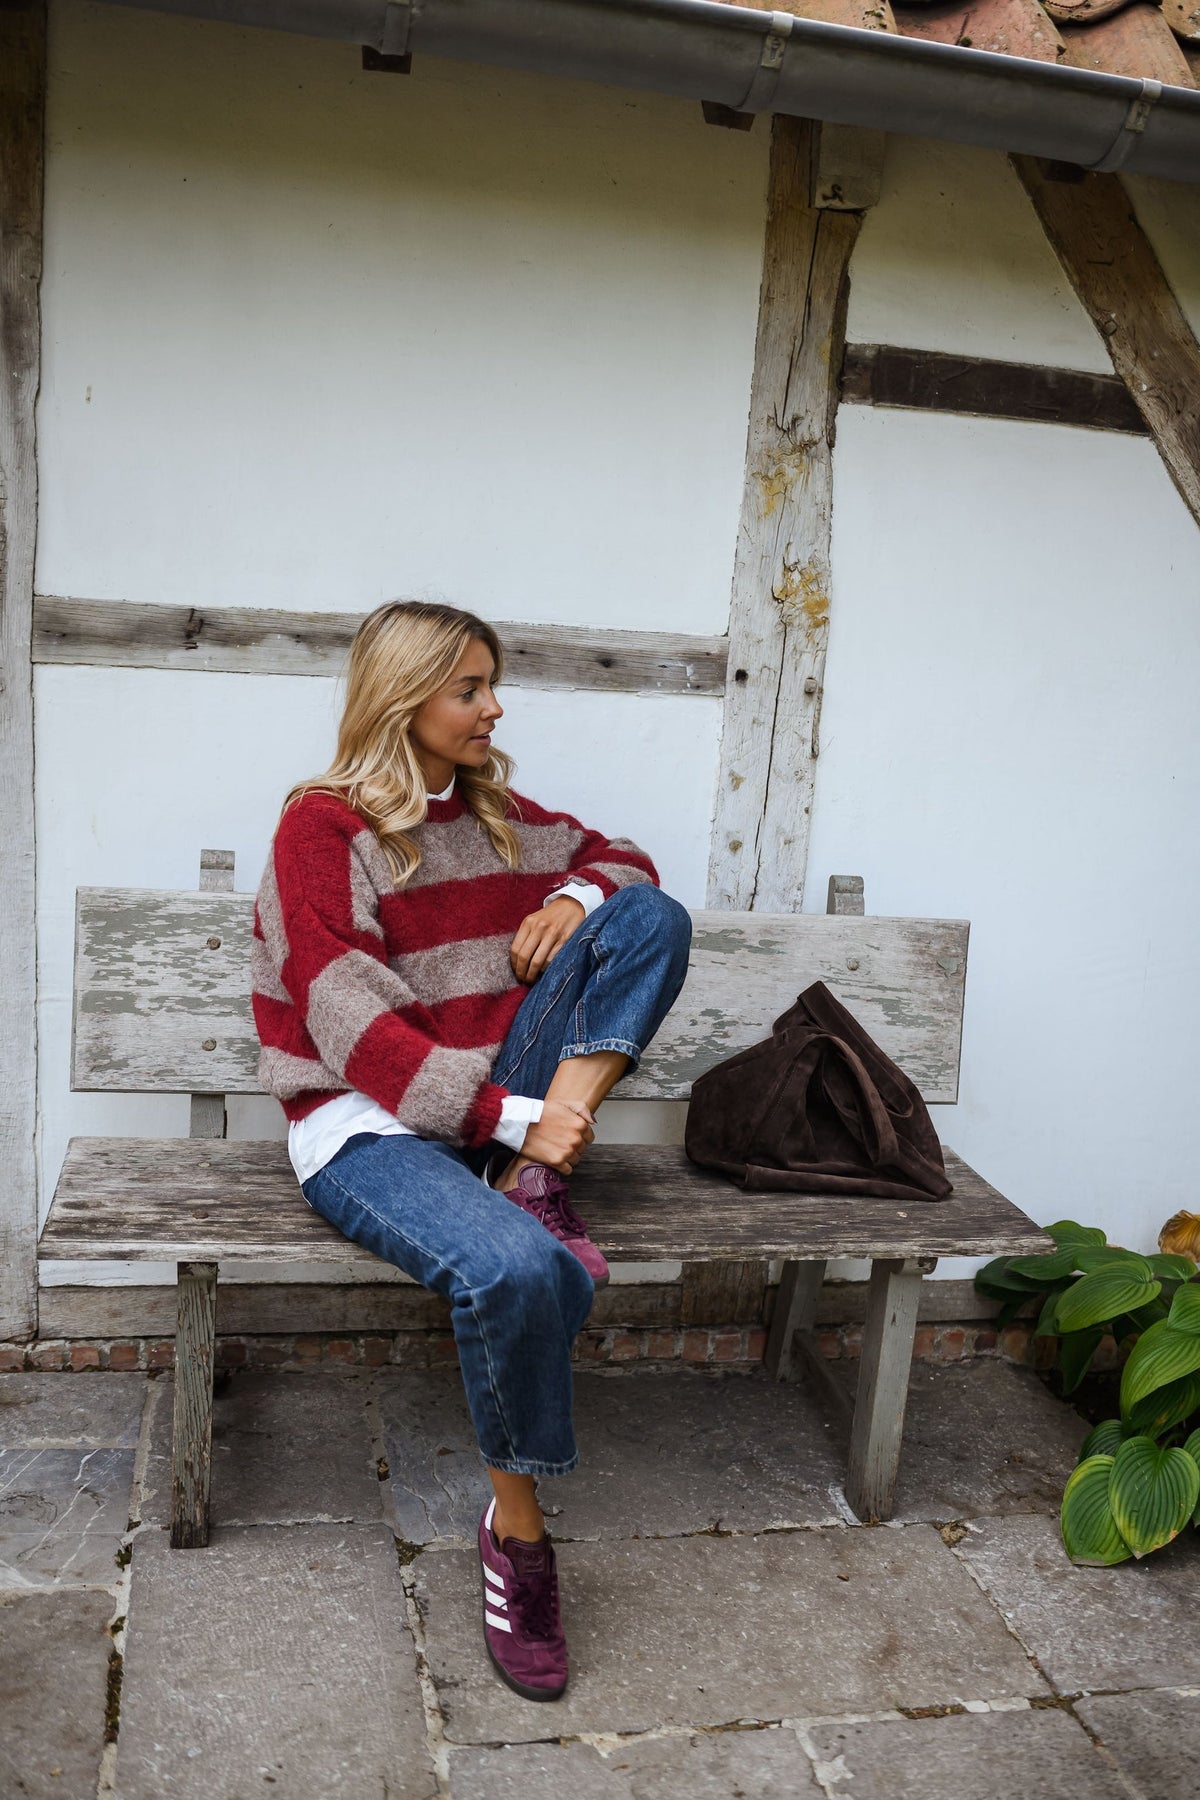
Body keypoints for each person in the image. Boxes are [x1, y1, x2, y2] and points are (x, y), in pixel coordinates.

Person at [251, 600, 692, 1702]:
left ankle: (539, 1181)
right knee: (514, 1267)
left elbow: (628, 861)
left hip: (505, 1115)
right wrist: (504, 1117)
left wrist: (580, 890)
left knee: (653, 919)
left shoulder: (501, 814)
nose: (495, 707)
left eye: (493, 684)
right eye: (470, 689)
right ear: (402, 697)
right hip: (372, 1126)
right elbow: (349, 1026)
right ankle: (520, 1534)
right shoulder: (322, 830)